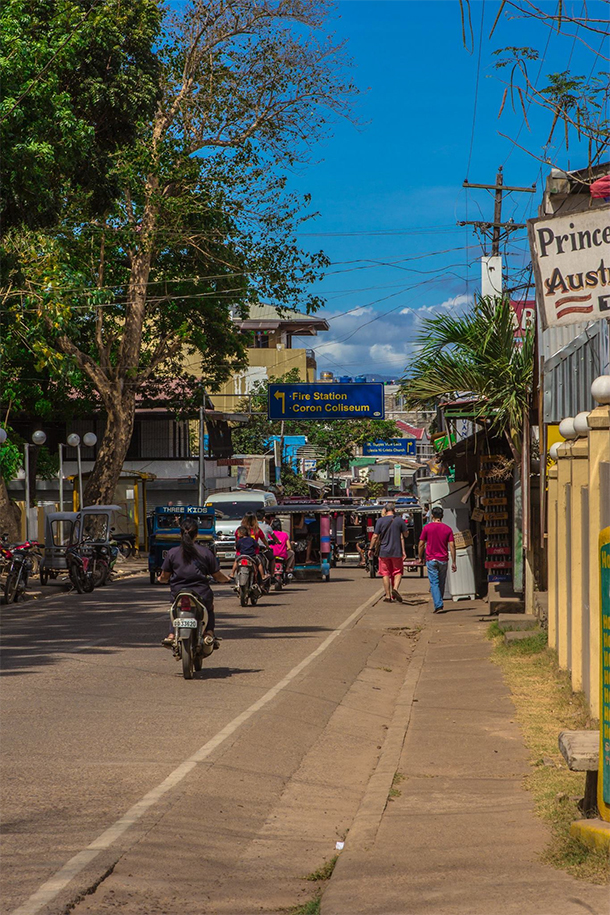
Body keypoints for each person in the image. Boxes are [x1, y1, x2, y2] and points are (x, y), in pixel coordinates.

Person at [158, 517, 230, 647]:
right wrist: (227, 579)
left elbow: (164, 576)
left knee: (174, 609)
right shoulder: (206, 553)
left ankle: (171, 635)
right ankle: (209, 633)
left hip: (178, 592)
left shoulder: (172, 553)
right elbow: (217, 575)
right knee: (209, 608)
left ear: (180, 534)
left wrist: (161, 579)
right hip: (201, 593)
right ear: (196, 534)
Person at [418, 506, 457, 613]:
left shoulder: (427, 528)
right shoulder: (448, 529)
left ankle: (438, 605)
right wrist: (454, 561)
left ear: (432, 516)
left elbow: (421, 544)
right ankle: (439, 602)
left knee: (434, 582)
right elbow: (452, 546)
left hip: (431, 559)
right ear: (442, 516)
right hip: (443, 559)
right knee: (442, 582)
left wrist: (420, 557)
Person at [369, 502, 408, 603]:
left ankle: (387, 595)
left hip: (384, 552)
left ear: (385, 511)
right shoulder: (399, 520)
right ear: (394, 510)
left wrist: (370, 548)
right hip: (396, 551)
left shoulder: (380, 521)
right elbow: (406, 535)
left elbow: (375, 536)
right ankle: (395, 589)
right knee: (398, 572)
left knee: (385, 573)